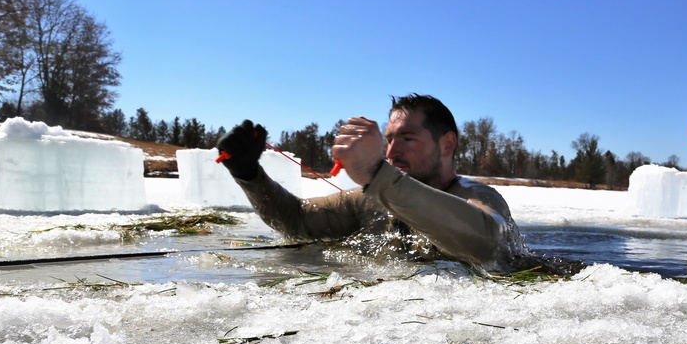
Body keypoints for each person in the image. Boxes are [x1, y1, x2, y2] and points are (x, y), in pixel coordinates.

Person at [215, 93, 531, 272]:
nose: (391, 151)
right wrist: (248, 174)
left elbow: (486, 241)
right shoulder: (371, 200)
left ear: (446, 145)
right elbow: (297, 221)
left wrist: (379, 175)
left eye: (407, 138)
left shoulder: (478, 195)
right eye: (389, 140)